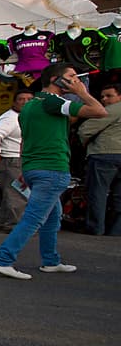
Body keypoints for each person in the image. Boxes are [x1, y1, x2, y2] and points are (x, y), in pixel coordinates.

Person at [0, 64, 106, 279]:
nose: (76, 80)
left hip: (34, 167)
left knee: (53, 217)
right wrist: (82, 93)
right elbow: (100, 111)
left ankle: (50, 261)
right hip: (52, 167)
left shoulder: (30, 106)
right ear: (56, 79)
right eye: (71, 77)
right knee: (34, 217)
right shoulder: (55, 102)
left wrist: (26, 167)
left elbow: (25, 140)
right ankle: (4, 259)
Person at [75, 83, 121, 236]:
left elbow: (85, 130)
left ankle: (96, 229)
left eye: (109, 96)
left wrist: (86, 143)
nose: (104, 100)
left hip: (105, 154)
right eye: (102, 96)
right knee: (119, 196)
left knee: (98, 194)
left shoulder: (112, 110)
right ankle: (116, 231)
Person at [0, 89, 34, 232]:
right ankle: (14, 225)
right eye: (21, 99)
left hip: (17, 159)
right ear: (14, 102)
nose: (25, 102)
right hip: (11, 160)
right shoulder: (10, 118)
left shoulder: (24, 117)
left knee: (11, 193)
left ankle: (5, 222)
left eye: (29, 99)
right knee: (17, 193)